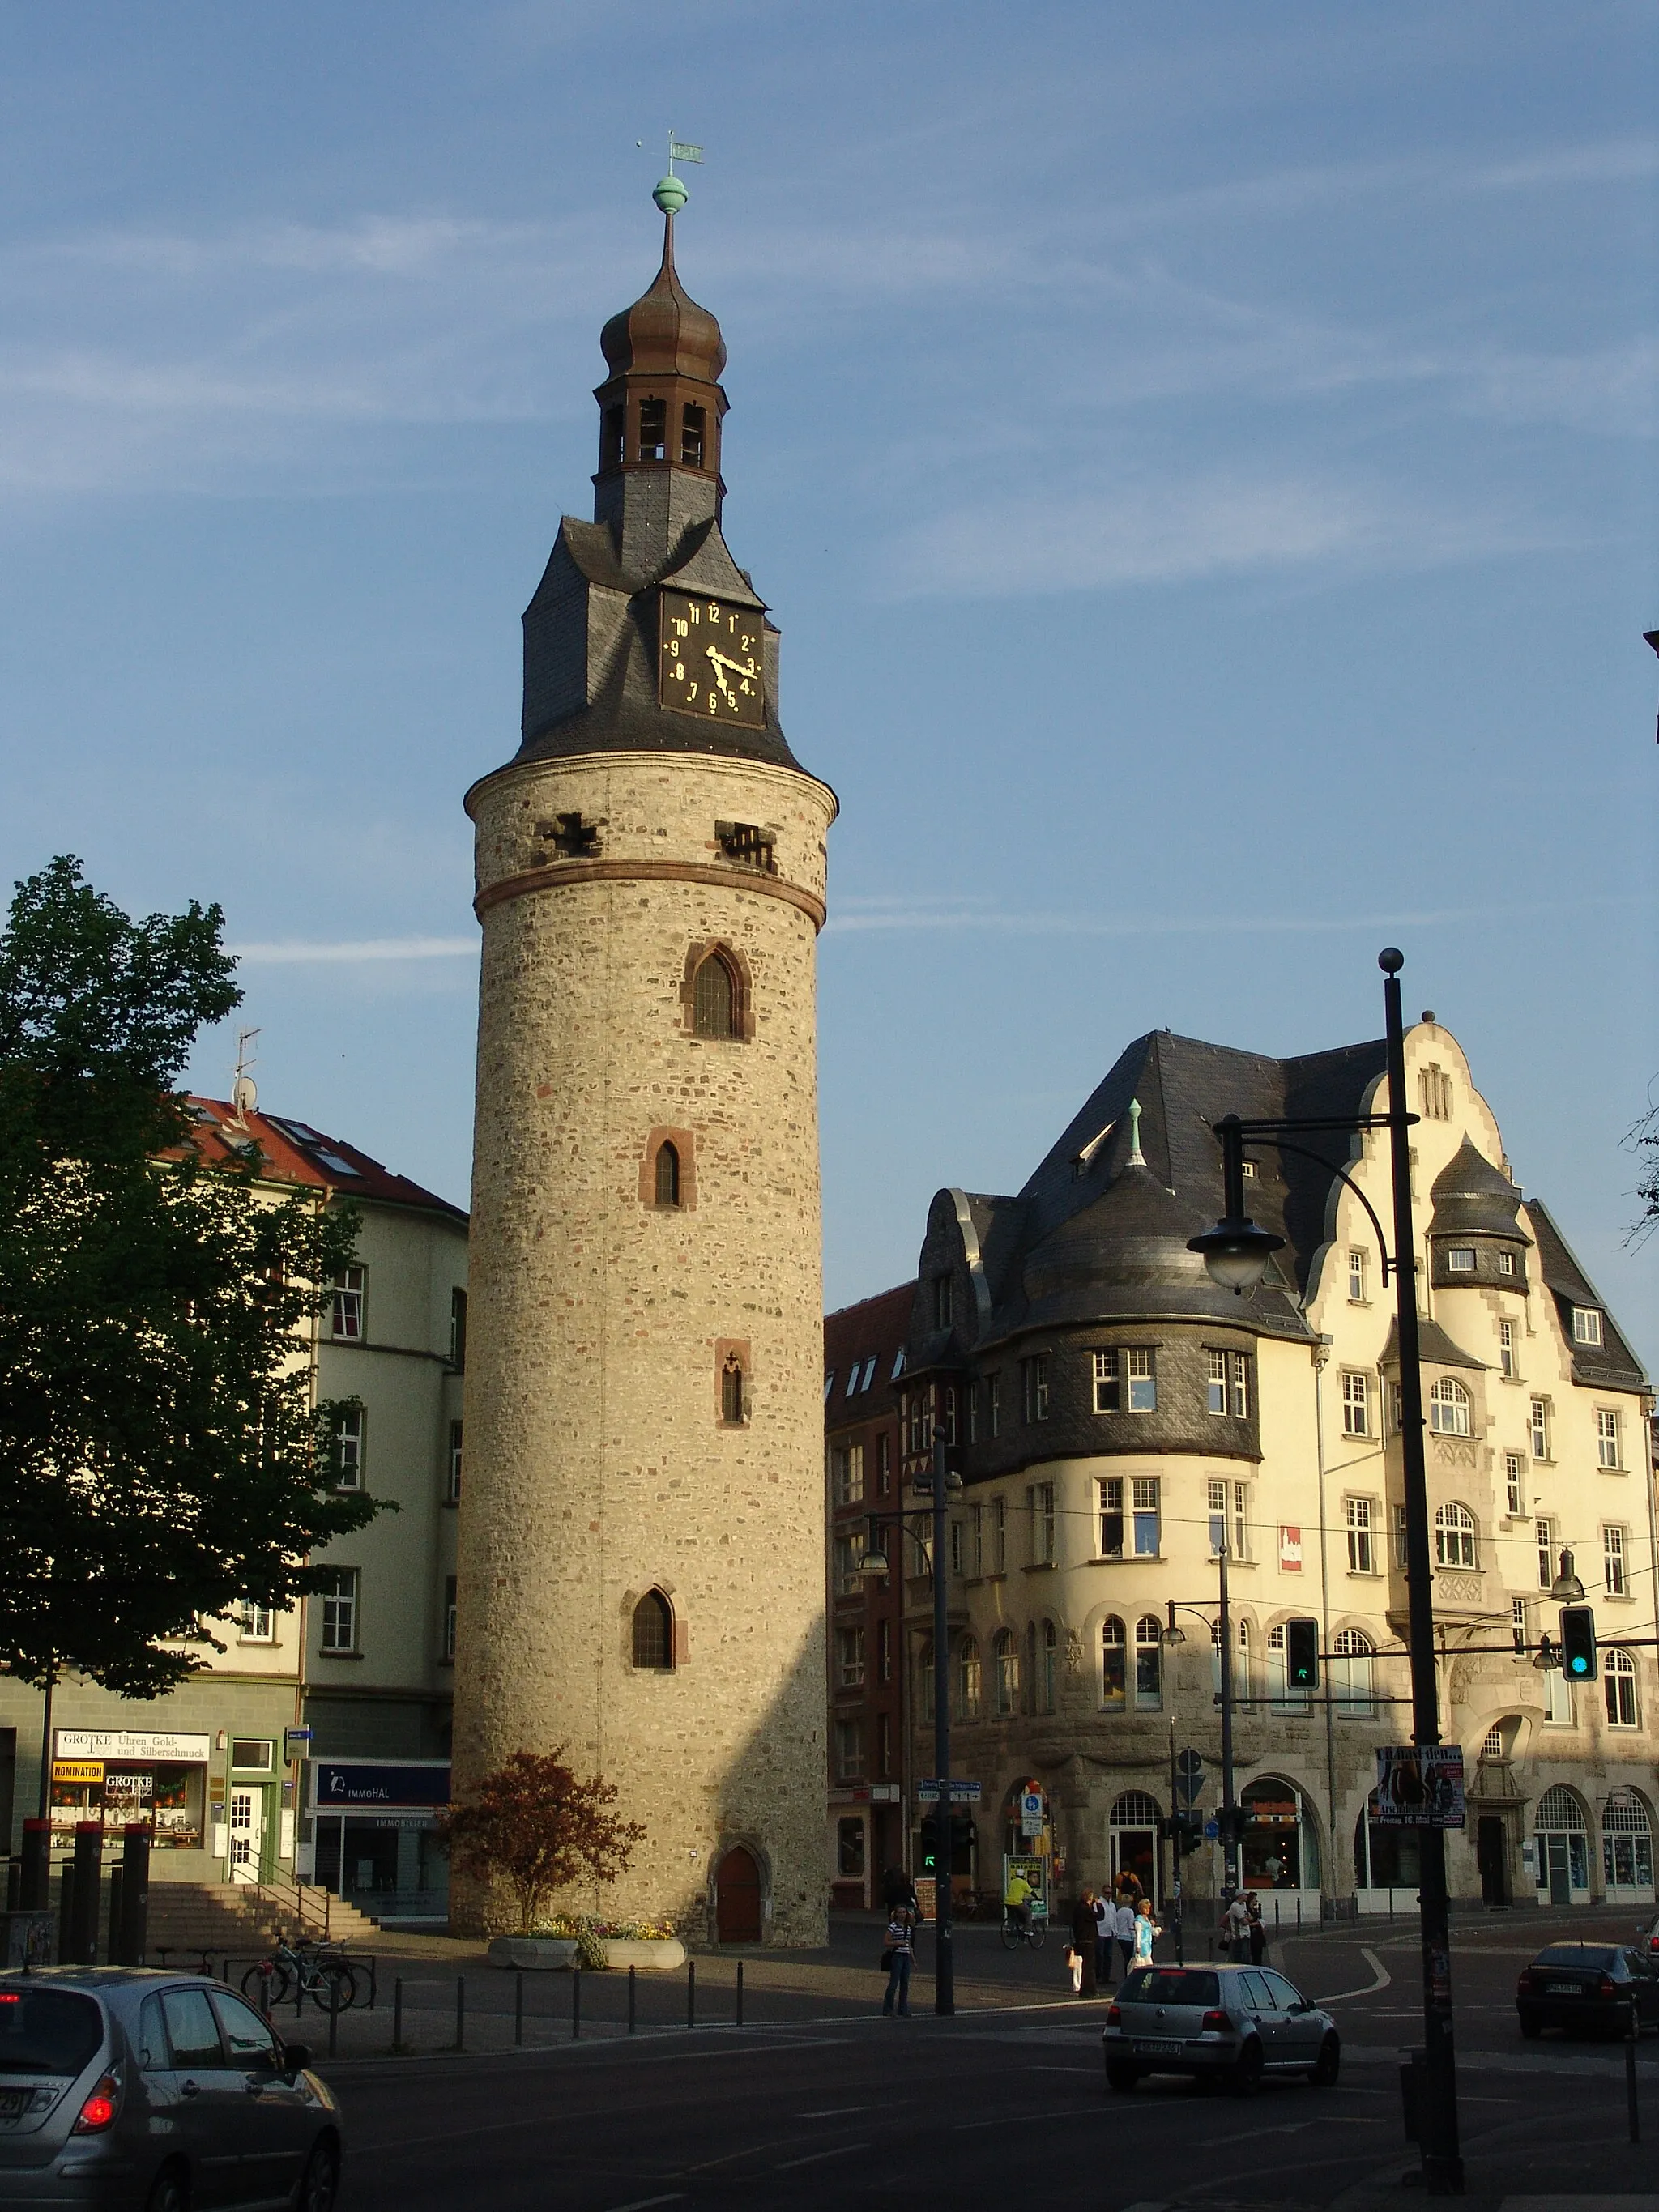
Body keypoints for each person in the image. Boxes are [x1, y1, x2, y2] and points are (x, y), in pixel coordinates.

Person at [881, 1898, 917, 2017]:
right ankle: (888, 2008)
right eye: (900, 1912)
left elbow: (909, 1944)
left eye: (904, 1912)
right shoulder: (893, 1927)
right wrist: (897, 1943)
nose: (902, 1914)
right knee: (894, 1982)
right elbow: (886, 1942)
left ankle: (903, 2008)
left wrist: (913, 1960)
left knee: (905, 1983)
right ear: (896, 1914)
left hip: (905, 1956)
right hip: (897, 1956)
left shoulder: (908, 1928)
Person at [1070, 1887, 1098, 1998]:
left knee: (1084, 1966)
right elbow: (1099, 1916)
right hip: (1088, 1940)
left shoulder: (1077, 1908)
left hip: (1080, 1940)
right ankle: (1088, 1990)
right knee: (1089, 1967)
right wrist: (1098, 1906)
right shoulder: (1086, 1910)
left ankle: (1086, 1989)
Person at [1004, 1864, 1034, 1938]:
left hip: (1007, 1902)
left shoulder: (1012, 1882)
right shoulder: (1023, 1882)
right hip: (1017, 1902)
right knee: (1028, 1914)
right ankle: (1028, 1930)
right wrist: (1037, 1898)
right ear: (1023, 1875)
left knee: (1012, 1916)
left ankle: (1009, 1929)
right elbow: (1031, 1892)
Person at [1114, 1890, 1137, 1980]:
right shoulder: (1130, 1912)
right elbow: (1131, 1925)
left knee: (1125, 1957)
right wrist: (1134, 1936)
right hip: (1128, 1937)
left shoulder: (1119, 1911)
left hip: (1120, 1936)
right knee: (1130, 1958)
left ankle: (1126, 1974)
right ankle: (1129, 1975)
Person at [1222, 1888, 1252, 1960]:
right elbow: (1244, 1922)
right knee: (1241, 1957)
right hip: (1239, 1936)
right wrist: (1247, 1919)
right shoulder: (1235, 1906)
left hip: (1246, 1934)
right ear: (1240, 1896)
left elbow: (1250, 1917)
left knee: (1246, 1956)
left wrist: (1247, 1919)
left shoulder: (1243, 1905)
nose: (1247, 1896)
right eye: (1245, 1895)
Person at [1132, 1895, 1161, 1966]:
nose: (1147, 1910)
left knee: (1146, 1963)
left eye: (1148, 1908)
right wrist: (1138, 1946)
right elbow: (1138, 1933)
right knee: (1149, 1964)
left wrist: (1155, 1930)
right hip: (1142, 1944)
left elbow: (1150, 1930)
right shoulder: (1138, 1920)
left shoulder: (1147, 1919)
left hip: (1148, 1944)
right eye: (1145, 1908)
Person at [1093, 1887, 1112, 1986]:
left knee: (1108, 1955)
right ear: (1103, 1893)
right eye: (1107, 1893)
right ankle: (1098, 1976)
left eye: (1110, 1893)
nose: (1109, 1895)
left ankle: (1106, 1977)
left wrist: (1115, 1930)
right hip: (1100, 1932)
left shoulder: (1112, 1904)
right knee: (1100, 1955)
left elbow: (1113, 1917)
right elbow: (1096, 1916)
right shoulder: (1098, 1903)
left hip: (1109, 1932)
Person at [1247, 1891, 1266, 1966]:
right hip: (1253, 1935)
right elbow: (1247, 1923)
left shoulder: (1255, 1910)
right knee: (1255, 1954)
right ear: (1251, 1900)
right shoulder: (1248, 1911)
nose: (1256, 1900)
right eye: (1255, 1898)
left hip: (1258, 1934)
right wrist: (1258, 1923)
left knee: (1259, 1954)